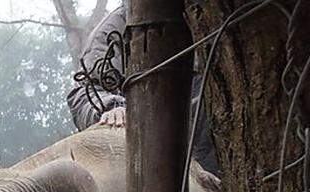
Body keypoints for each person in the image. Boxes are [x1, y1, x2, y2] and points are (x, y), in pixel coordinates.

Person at [66, 6, 220, 175]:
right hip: (144, 166)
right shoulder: (117, 27)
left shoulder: (216, 16)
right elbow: (82, 93)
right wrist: (111, 108)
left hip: (217, 163)